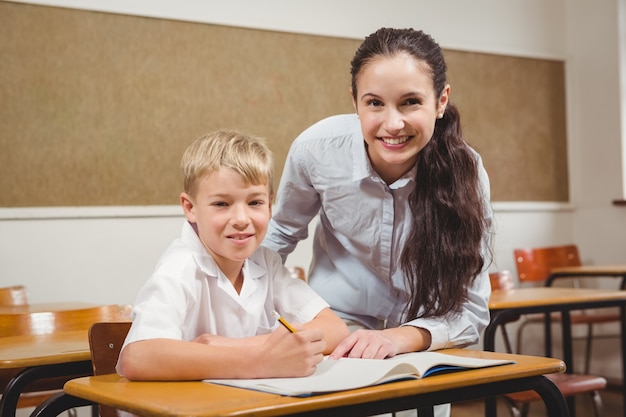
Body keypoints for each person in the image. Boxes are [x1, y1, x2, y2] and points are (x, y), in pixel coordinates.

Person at [263, 28, 493, 416]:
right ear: (355, 102)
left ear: (441, 101)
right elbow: (278, 237)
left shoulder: (466, 172)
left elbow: (470, 311)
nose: (393, 124)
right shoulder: (315, 151)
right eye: (374, 103)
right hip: (337, 329)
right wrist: (246, 315)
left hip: (418, 340)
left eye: (410, 102)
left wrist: (402, 338)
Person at [117, 129, 349, 381]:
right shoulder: (180, 267)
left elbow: (335, 328)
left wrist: (240, 346)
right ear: (190, 208)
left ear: (270, 205)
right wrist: (262, 361)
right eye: (221, 204)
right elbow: (137, 357)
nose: (241, 219)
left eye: (254, 203)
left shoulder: (266, 263)